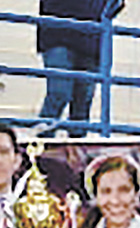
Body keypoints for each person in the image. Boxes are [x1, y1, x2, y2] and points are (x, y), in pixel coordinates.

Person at [36, 0, 114, 136]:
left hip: (90, 38)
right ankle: (42, 144)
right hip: (59, 34)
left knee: (83, 99)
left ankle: (76, 146)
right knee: (60, 92)